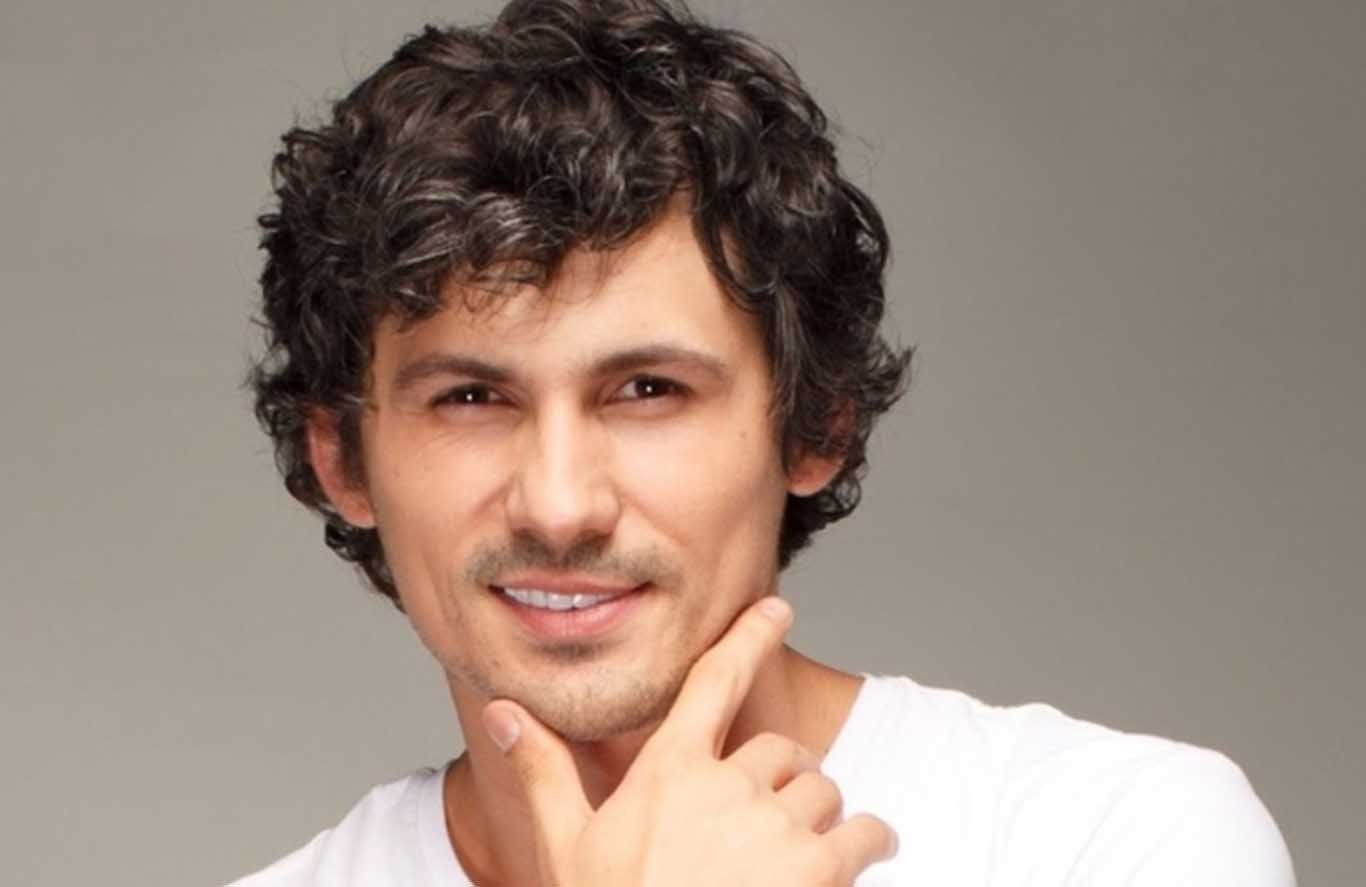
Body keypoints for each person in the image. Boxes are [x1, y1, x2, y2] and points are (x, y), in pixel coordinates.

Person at [233, 1, 1295, 884]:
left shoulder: (1111, 838)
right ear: (342, 459)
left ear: (816, 421)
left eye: (647, 390)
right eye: (470, 397)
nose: (558, 504)